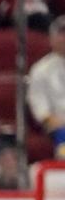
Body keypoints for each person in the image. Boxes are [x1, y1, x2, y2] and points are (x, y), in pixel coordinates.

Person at [28, 15, 65, 159]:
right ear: (52, 38)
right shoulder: (40, 70)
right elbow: (41, 111)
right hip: (58, 126)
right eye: (61, 34)